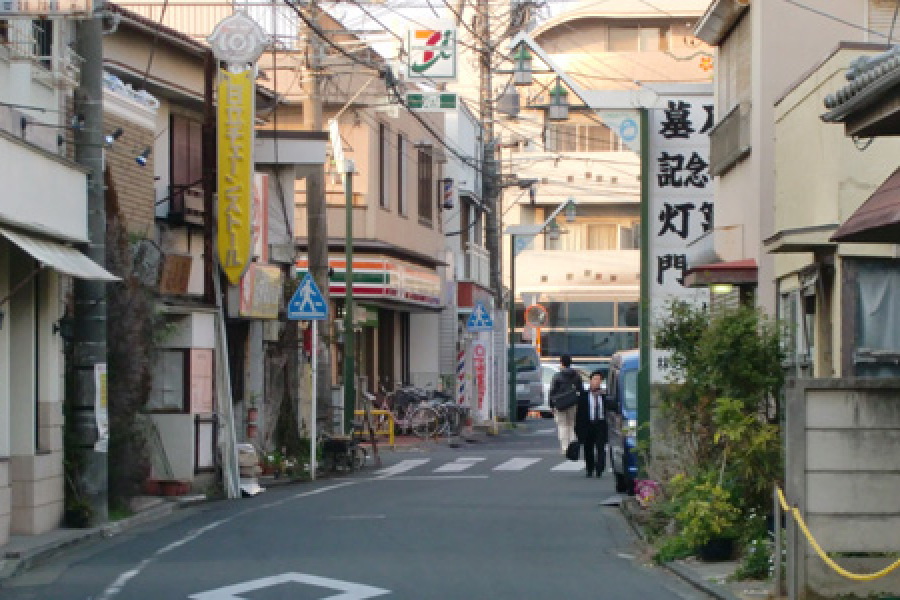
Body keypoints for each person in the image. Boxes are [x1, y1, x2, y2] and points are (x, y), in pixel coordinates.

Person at [575, 369, 609, 478]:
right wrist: (578, 429)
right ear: (590, 381)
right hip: (588, 424)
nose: (596, 382)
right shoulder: (584, 396)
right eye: (594, 379)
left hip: (600, 424)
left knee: (600, 447)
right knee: (588, 448)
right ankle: (589, 468)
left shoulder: (604, 396)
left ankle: (600, 468)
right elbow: (579, 414)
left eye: (599, 380)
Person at [548, 354, 583, 455]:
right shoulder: (576, 375)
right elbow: (580, 390)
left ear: (561, 363)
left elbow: (552, 391)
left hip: (560, 404)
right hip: (573, 403)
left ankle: (565, 448)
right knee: (572, 424)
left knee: (562, 425)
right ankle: (572, 447)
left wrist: (551, 405)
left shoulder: (557, 376)